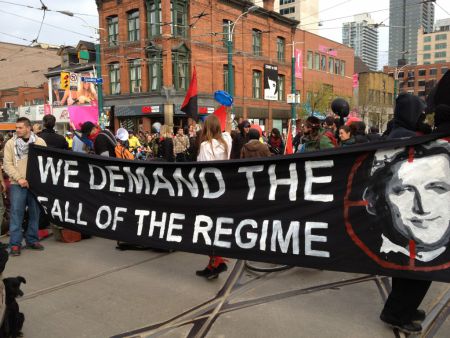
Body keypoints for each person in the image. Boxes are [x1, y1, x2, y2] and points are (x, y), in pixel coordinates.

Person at [374, 93, 432, 334]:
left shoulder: (400, 133)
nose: (422, 117)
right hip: (409, 210)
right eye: (419, 113)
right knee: (422, 264)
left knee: (408, 264)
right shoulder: (406, 137)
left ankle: (403, 307)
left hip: (407, 209)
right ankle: (397, 313)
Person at [195, 115, 232, 279]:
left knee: (206, 228)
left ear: (206, 128)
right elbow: (228, 131)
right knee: (216, 228)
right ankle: (213, 265)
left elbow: (203, 170)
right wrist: (228, 111)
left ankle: (216, 262)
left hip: (209, 191)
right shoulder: (227, 142)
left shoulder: (205, 146)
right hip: (224, 191)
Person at [3, 117, 46, 256]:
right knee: (16, 214)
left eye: (20, 127)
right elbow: (7, 164)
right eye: (17, 128)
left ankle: (32, 239)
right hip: (17, 184)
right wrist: (19, 178)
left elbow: (45, 162)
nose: (17, 130)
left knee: (35, 213)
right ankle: (15, 244)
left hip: (35, 185)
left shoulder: (39, 142)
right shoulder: (11, 143)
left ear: (28, 128)